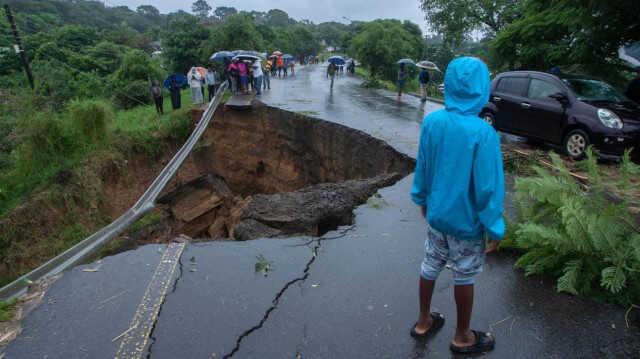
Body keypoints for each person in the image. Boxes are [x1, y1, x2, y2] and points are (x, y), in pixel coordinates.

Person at [410, 57, 503, 355]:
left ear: (448, 83)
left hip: (437, 216)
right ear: (481, 88)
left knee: (430, 264)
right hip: (467, 223)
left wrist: (422, 199)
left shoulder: (432, 122)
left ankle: (424, 321)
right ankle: (462, 336)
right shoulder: (483, 132)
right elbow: (487, 187)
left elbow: (423, 166)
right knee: (464, 273)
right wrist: (494, 226)